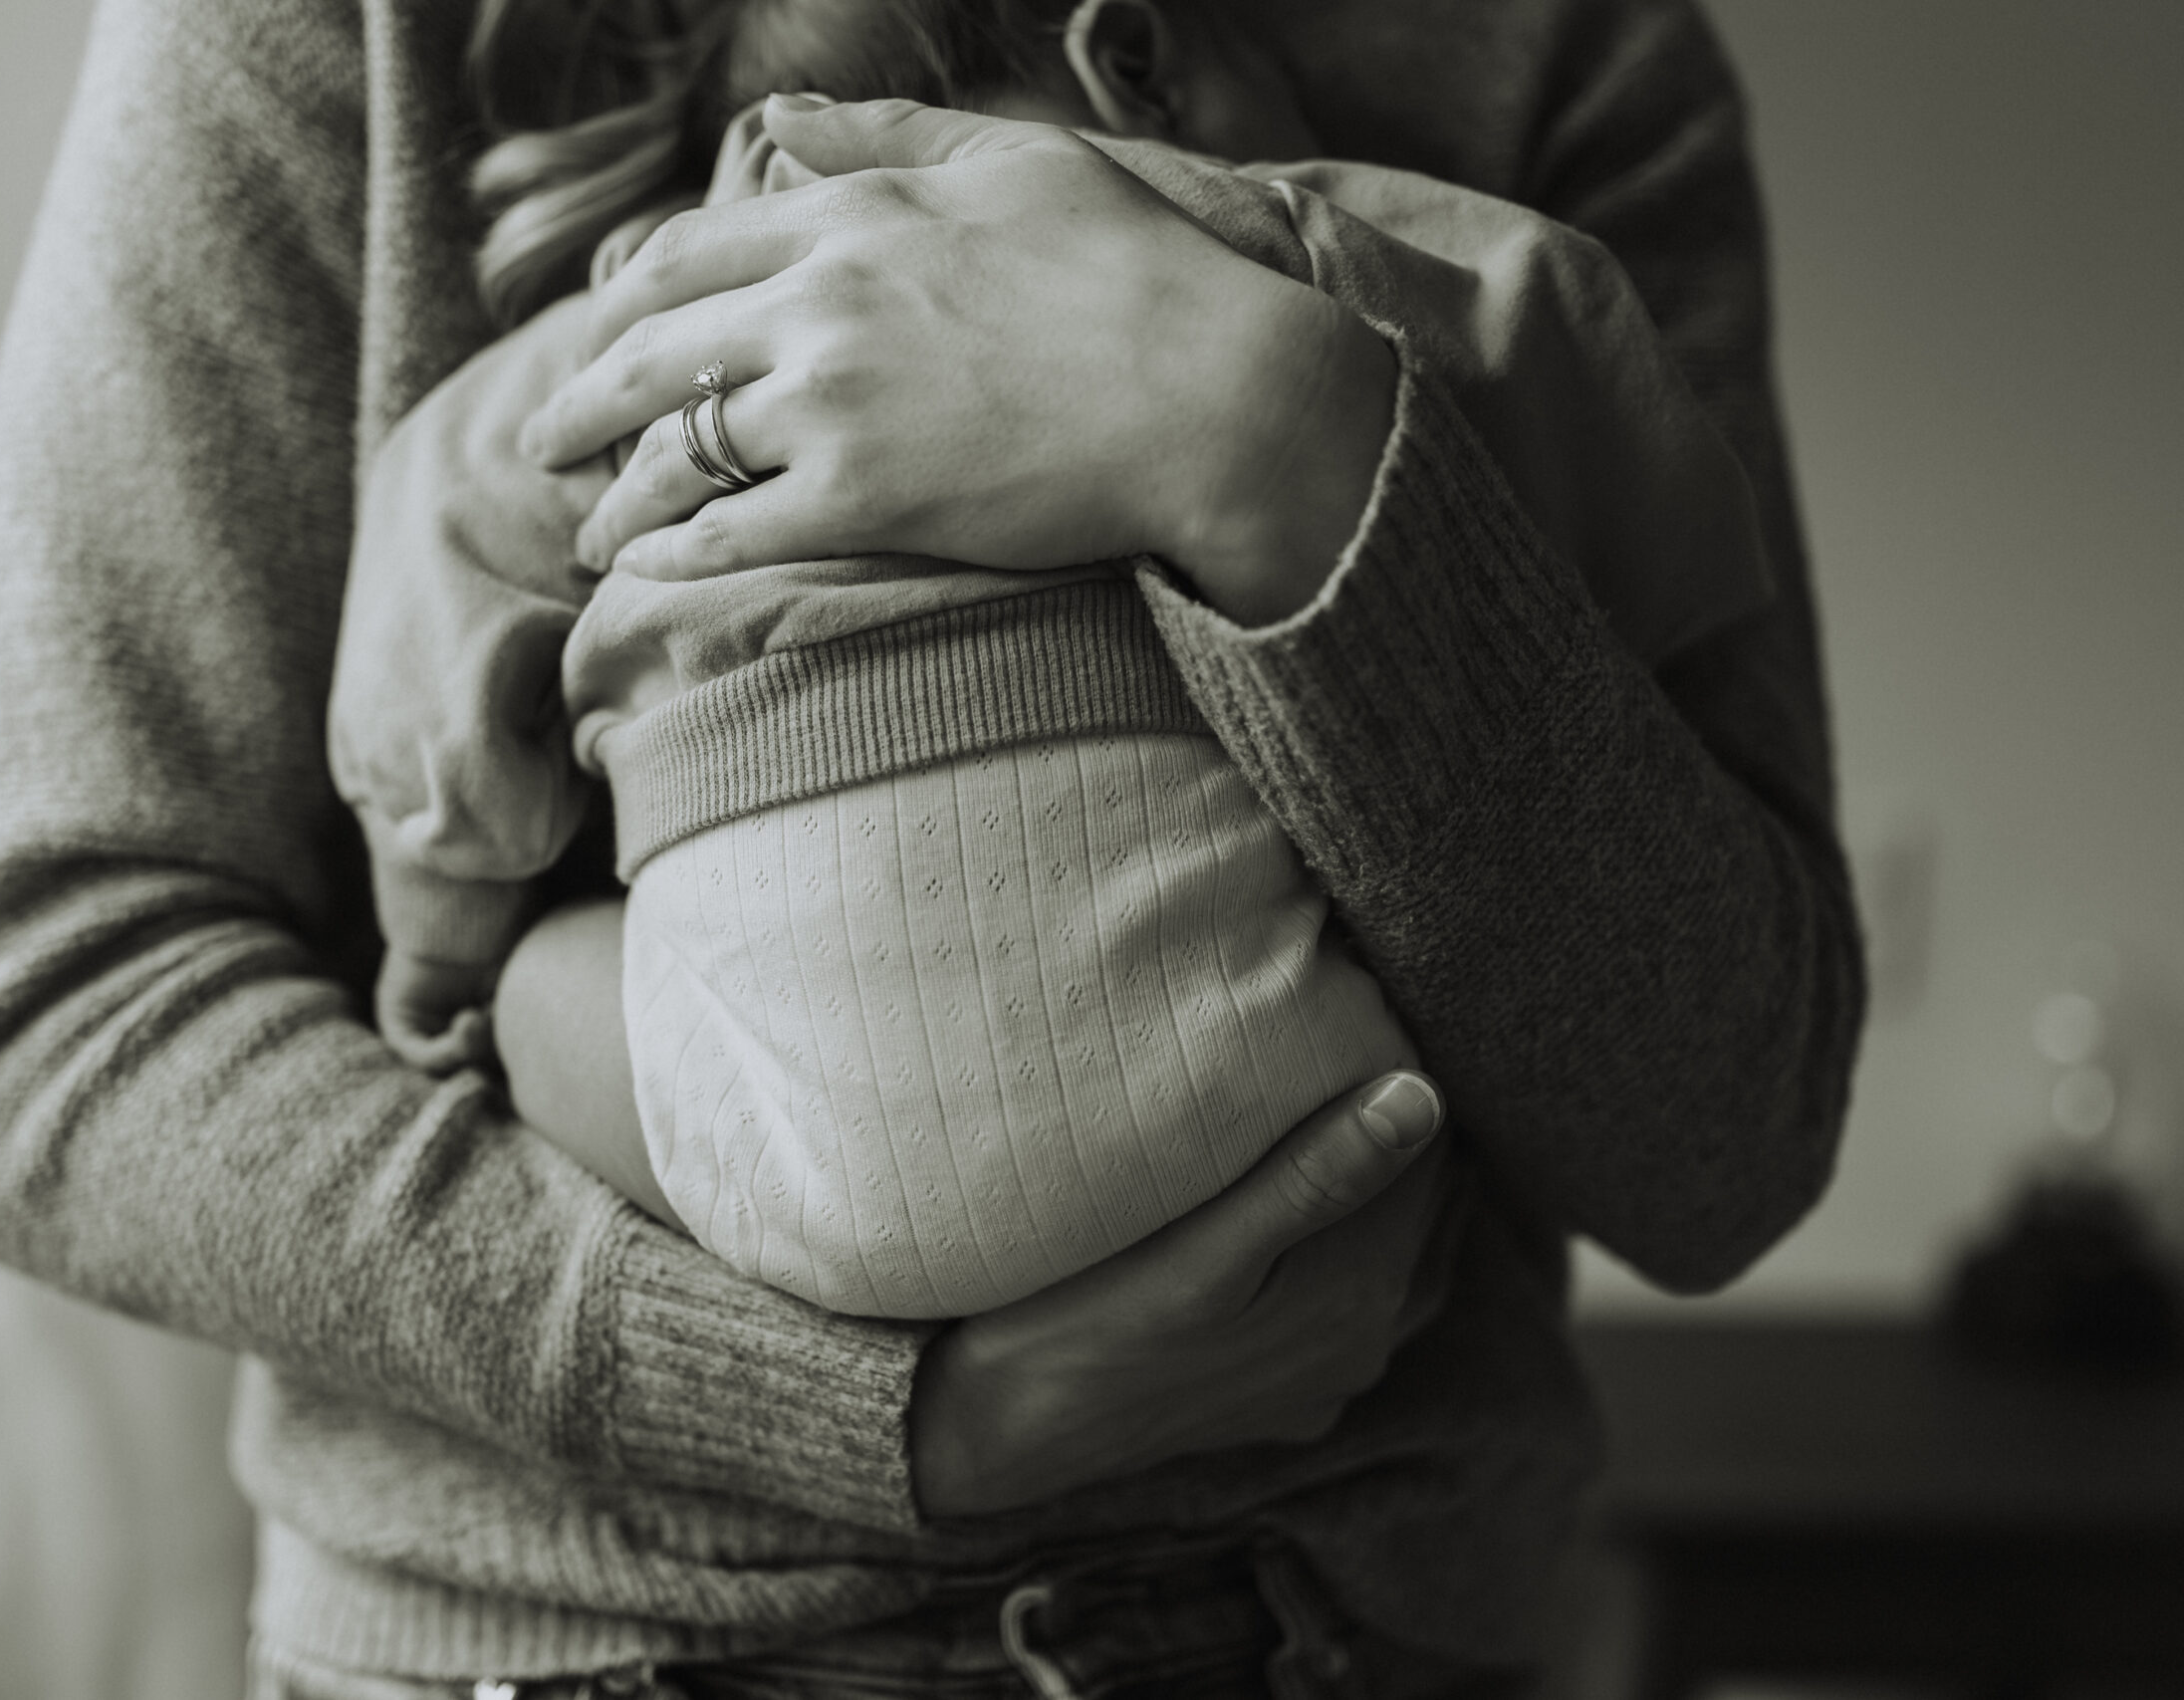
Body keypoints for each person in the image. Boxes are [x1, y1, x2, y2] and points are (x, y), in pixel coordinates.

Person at [0, 0, 1863, 1693]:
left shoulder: (1557, 47)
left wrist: (1269, 435)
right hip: (567, 1641)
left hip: (1329, 1629)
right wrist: (887, 1411)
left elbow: (1724, 1138)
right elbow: (46, 1013)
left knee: (524, 995)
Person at [334, 0, 1776, 1321]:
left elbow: (431, 541)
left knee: (538, 998)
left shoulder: (640, 321)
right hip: (1285, 1103)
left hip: (784, 1166)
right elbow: (1563, 321)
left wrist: (450, 946)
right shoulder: (1258, 221)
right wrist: (1623, 592)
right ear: (1132, 59)